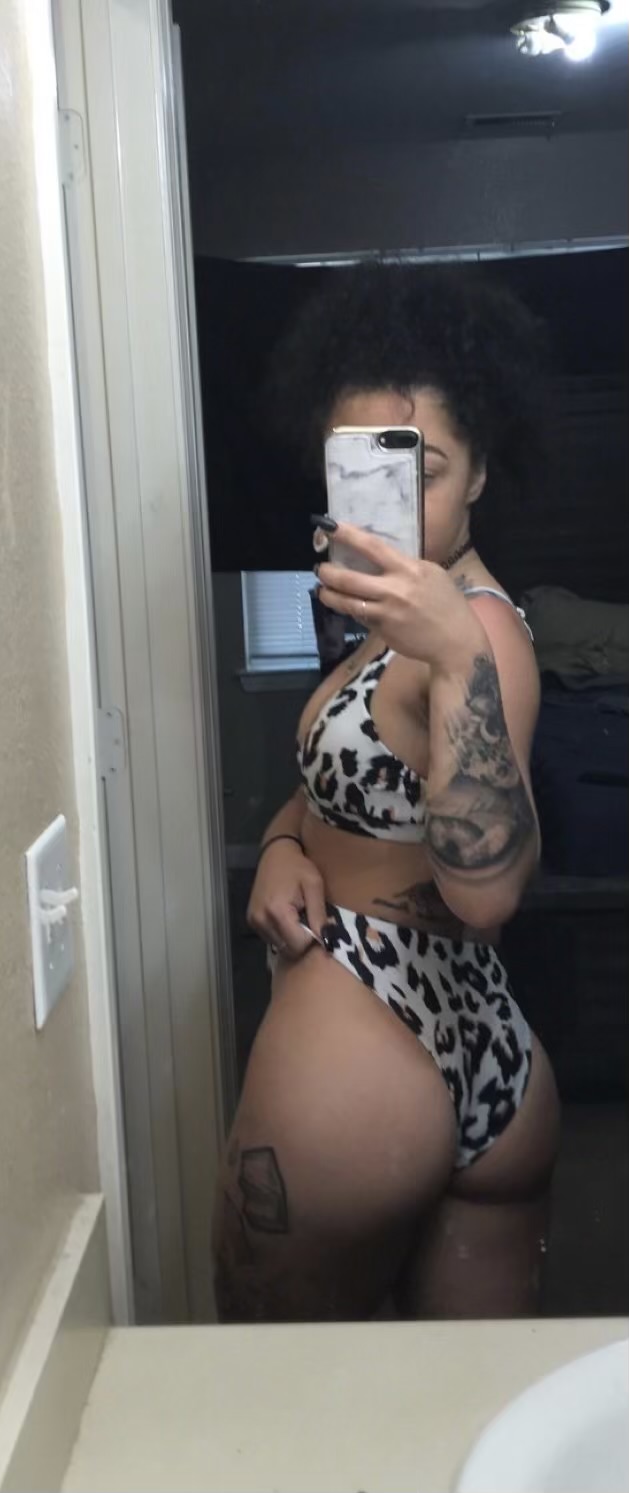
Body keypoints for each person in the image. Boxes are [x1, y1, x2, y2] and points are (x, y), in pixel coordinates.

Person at [212, 264, 560, 1323]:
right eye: (361, 472)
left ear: (481, 471)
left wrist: (456, 657)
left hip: (363, 1045)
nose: (393, 508)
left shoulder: (475, 629)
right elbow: (351, 789)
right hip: (479, 1049)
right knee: (465, 1395)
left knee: (279, 1371)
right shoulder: (388, 618)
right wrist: (285, 841)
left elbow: (486, 893)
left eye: (427, 471)